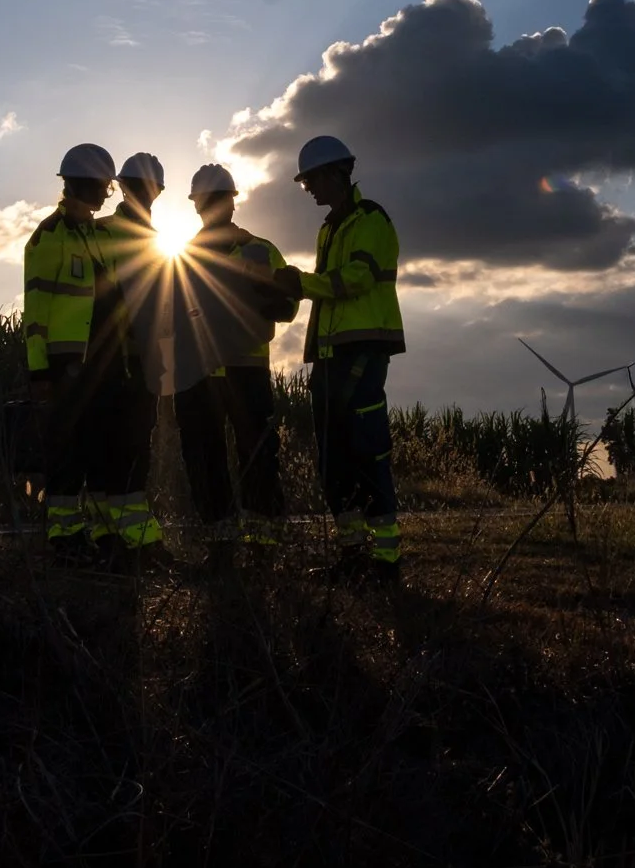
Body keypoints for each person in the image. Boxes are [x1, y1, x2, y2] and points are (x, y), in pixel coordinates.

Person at [273, 136, 406, 587]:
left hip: (362, 352)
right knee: (333, 460)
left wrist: (302, 284)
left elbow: (358, 278)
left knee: (367, 451)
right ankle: (352, 554)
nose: (308, 188)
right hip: (328, 355)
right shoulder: (330, 227)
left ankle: (386, 561)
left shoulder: (371, 220)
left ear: (335, 174)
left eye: (310, 179)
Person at [172, 163, 297, 572]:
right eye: (202, 201)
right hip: (198, 371)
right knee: (203, 454)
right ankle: (219, 542)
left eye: (214, 199)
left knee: (256, 453)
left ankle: (263, 543)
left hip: (246, 367)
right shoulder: (182, 255)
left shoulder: (260, 249)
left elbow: (289, 302)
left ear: (230, 201)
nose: (207, 207)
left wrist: (276, 302)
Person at [23, 143, 125, 566]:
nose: (107, 195)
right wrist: (39, 371)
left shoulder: (96, 234)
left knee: (99, 447)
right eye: (103, 187)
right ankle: (63, 534)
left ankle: (100, 532)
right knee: (65, 451)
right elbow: (36, 311)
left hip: (100, 363)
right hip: (64, 364)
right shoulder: (49, 236)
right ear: (83, 183)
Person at [91, 152, 174, 571]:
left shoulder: (157, 242)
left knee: (129, 451)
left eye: (150, 188)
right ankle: (135, 543)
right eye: (138, 187)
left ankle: (116, 540)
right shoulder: (100, 234)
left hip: (143, 365)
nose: (145, 194)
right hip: (111, 365)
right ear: (123, 188)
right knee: (119, 452)